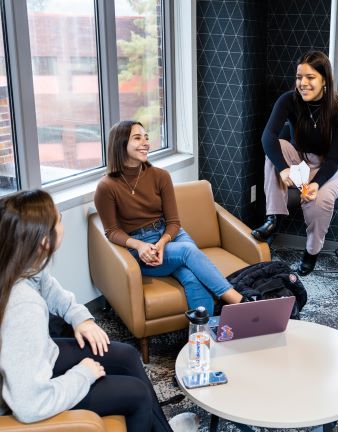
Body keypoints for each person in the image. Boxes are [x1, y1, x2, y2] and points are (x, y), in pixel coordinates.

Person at [0, 190, 198, 431]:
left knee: (126, 355)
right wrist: (82, 374)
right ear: (44, 240)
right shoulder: (23, 306)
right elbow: (29, 404)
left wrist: (81, 318)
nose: (61, 222)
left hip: (37, 359)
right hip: (23, 396)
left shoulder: (21, 264)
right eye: (58, 219)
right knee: (136, 395)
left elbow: (51, 290)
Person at [94, 120, 245, 315]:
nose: (146, 142)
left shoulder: (160, 176)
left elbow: (174, 222)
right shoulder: (106, 187)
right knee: (187, 253)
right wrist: (140, 246)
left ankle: (203, 334)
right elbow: (112, 231)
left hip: (171, 236)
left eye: (146, 137)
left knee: (191, 276)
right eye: (137, 138)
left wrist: (163, 243)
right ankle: (240, 301)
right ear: (120, 143)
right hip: (140, 247)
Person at [252, 51, 338, 275]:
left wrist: (316, 184)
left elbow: (336, 158)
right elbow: (267, 137)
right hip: (300, 163)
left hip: (330, 168)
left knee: (320, 202)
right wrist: (285, 169)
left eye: (310, 77)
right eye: (299, 77)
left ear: (324, 79)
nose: (303, 83)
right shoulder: (288, 100)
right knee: (276, 150)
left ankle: (311, 252)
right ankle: (273, 219)